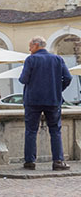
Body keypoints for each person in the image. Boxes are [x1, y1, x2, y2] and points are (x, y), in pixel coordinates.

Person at [19, 36, 72, 170]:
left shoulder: (31, 59)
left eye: (30, 46)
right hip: (53, 100)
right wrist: (58, 89)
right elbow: (68, 78)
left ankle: (30, 161)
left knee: (31, 130)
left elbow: (23, 79)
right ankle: (58, 161)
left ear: (36, 45)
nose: (29, 49)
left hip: (33, 100)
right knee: (55, 130)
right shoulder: (57, 59)